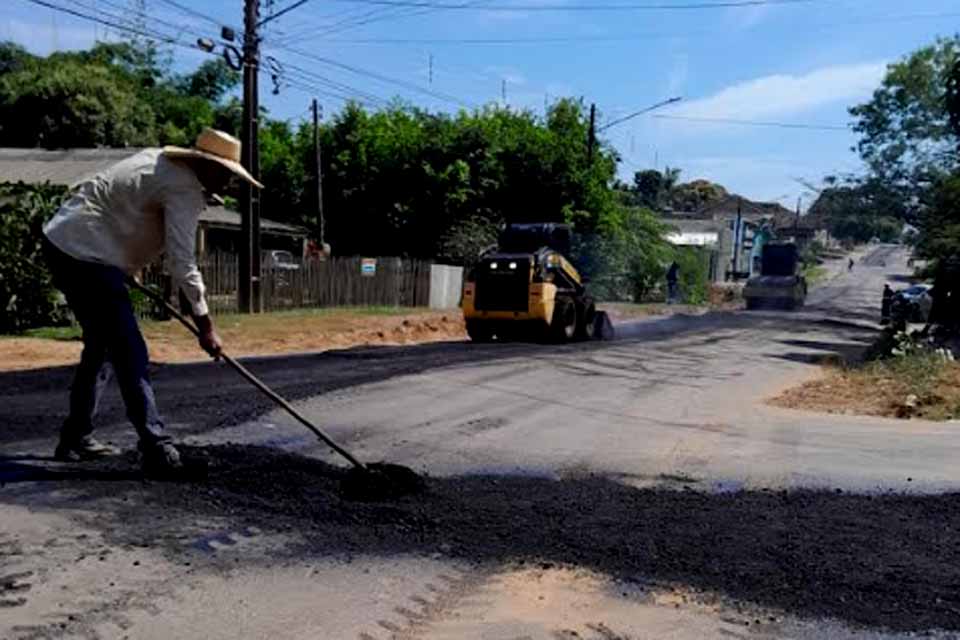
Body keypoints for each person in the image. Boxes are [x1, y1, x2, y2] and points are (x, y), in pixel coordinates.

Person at [42, 129, 262, 473]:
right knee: (129, 348)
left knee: (101, 346)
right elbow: (181, 261)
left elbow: (124, 211)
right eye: (227, 175)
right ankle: (155, 444)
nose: (230, 184)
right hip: (85, 252)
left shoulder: (159, 162)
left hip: (67, 242)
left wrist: (124, 265)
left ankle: (75, 437)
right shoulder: (184, 188)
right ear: (208, 167)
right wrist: (206, 327)